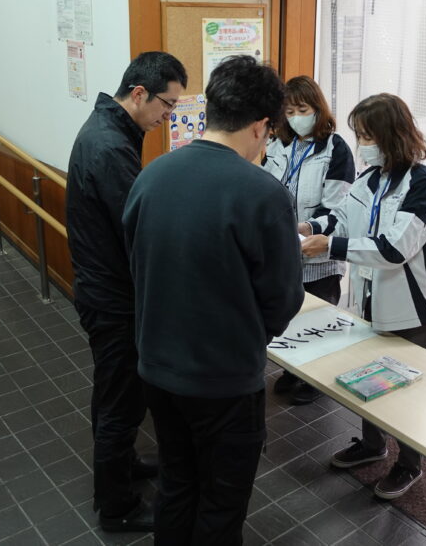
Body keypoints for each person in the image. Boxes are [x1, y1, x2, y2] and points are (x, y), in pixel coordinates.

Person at [123, 55, 305, 546]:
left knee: (177, 484)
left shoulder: (152, 176)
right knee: (221, 505)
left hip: (158, 369)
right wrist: (248, 331)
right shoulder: (264, 194)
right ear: (261, 126)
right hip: (225, 380)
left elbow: (136, 263)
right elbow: (284, 298)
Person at [301, 93, 426, 500]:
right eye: (360, 136)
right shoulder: (369, 180)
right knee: (369, 376)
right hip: (368, 300)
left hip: (413, 308)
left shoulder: (422, 183)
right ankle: (372, 445)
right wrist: (309, 227)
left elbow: (395, 249)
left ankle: (409, 464)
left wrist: (330, 246)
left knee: (406, 393)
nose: (363, 145)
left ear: (392, 135)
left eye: (368, 136)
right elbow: (342, 219)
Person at [66, 51, 187, 533]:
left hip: (104, 289)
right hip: (114, 299)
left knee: (114, 395)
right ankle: (117, 507)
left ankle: (125, 466)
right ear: (139, 93)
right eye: (167, 104)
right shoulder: (110, 147)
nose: (168, 116)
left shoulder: (109, 129)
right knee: (120, 402)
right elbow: (135, 227)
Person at [262, 75, 355, 405]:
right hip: (284, 251)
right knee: (291, 316)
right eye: (289, 111)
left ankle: (315, 379)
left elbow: (338, 208)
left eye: (302, 109)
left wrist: (307, 227)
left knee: (319, 318)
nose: (296, 117)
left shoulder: (336, 149)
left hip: (319, 253)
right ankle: (294, 371)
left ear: (317, 108)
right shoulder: (277, 145)